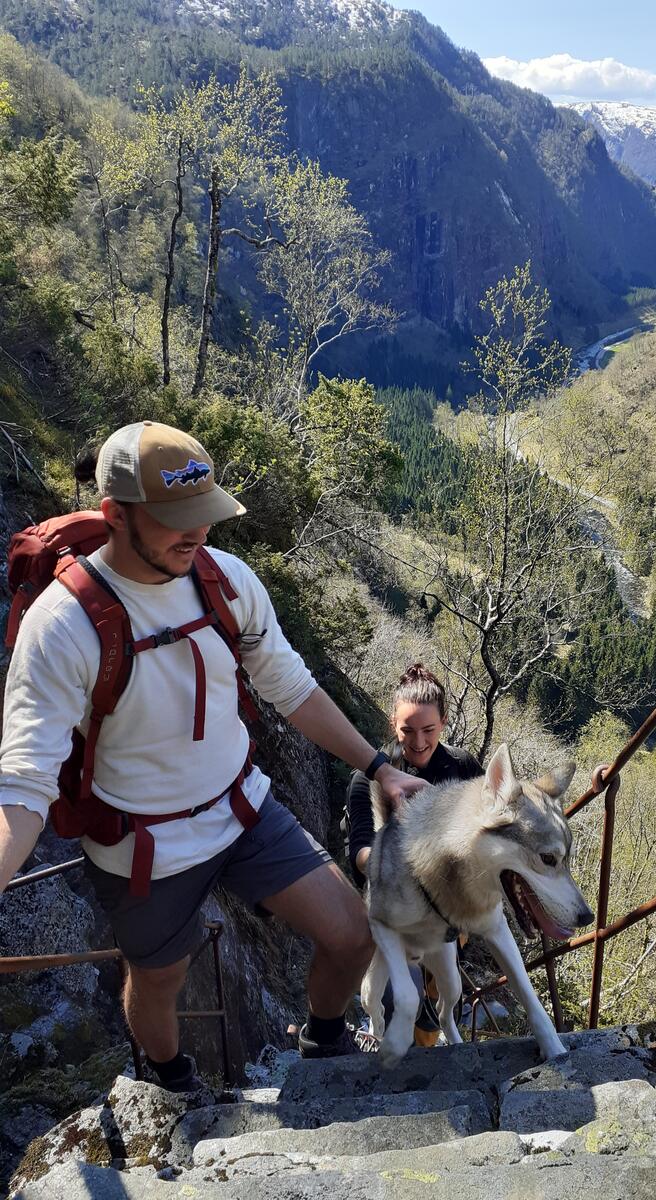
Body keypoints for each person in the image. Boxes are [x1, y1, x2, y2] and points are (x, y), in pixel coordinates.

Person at [0, 420, 425, 1088]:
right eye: (176, 520)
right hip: (142, 845)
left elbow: (291, 686)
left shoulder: (224, 580)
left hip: (241, 804)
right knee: (160, 979)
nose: (197, 534)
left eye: (204, 515)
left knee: (351, 932)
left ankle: (324, 1036)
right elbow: (25, 785)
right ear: (116, 515)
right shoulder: (64, 626)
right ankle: (172, 1081)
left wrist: (380, 768)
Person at [346, 664, 481, 1045]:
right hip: (394, 907)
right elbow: (359, 851)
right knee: (393, 1002)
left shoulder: (463, 768)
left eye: (429, 730)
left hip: (448, 913)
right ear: (393, 724)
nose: (418, 742)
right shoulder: (369, 777)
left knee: (442, 988)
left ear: (445, 722)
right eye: (407, 730)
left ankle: (432, 1030)